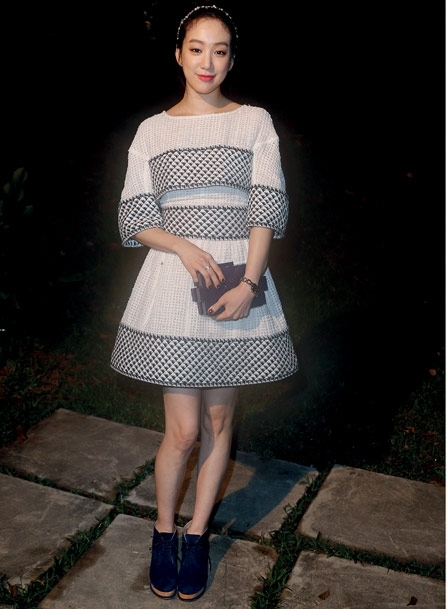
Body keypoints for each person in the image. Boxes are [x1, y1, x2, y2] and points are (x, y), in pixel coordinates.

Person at [110, 3, 298, 602]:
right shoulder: (152, 131)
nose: (207, 62)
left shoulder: (255, 122)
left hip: (237, 287)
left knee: (219, 421)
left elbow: (267, 207)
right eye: (196, 48)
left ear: (232, 59)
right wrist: (183, 244)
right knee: (184, 430)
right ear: (179, 54)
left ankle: (196, 535)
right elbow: (134, 216)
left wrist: (250, 286)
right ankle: (163, 530)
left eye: (220, 50)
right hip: (173, 287)